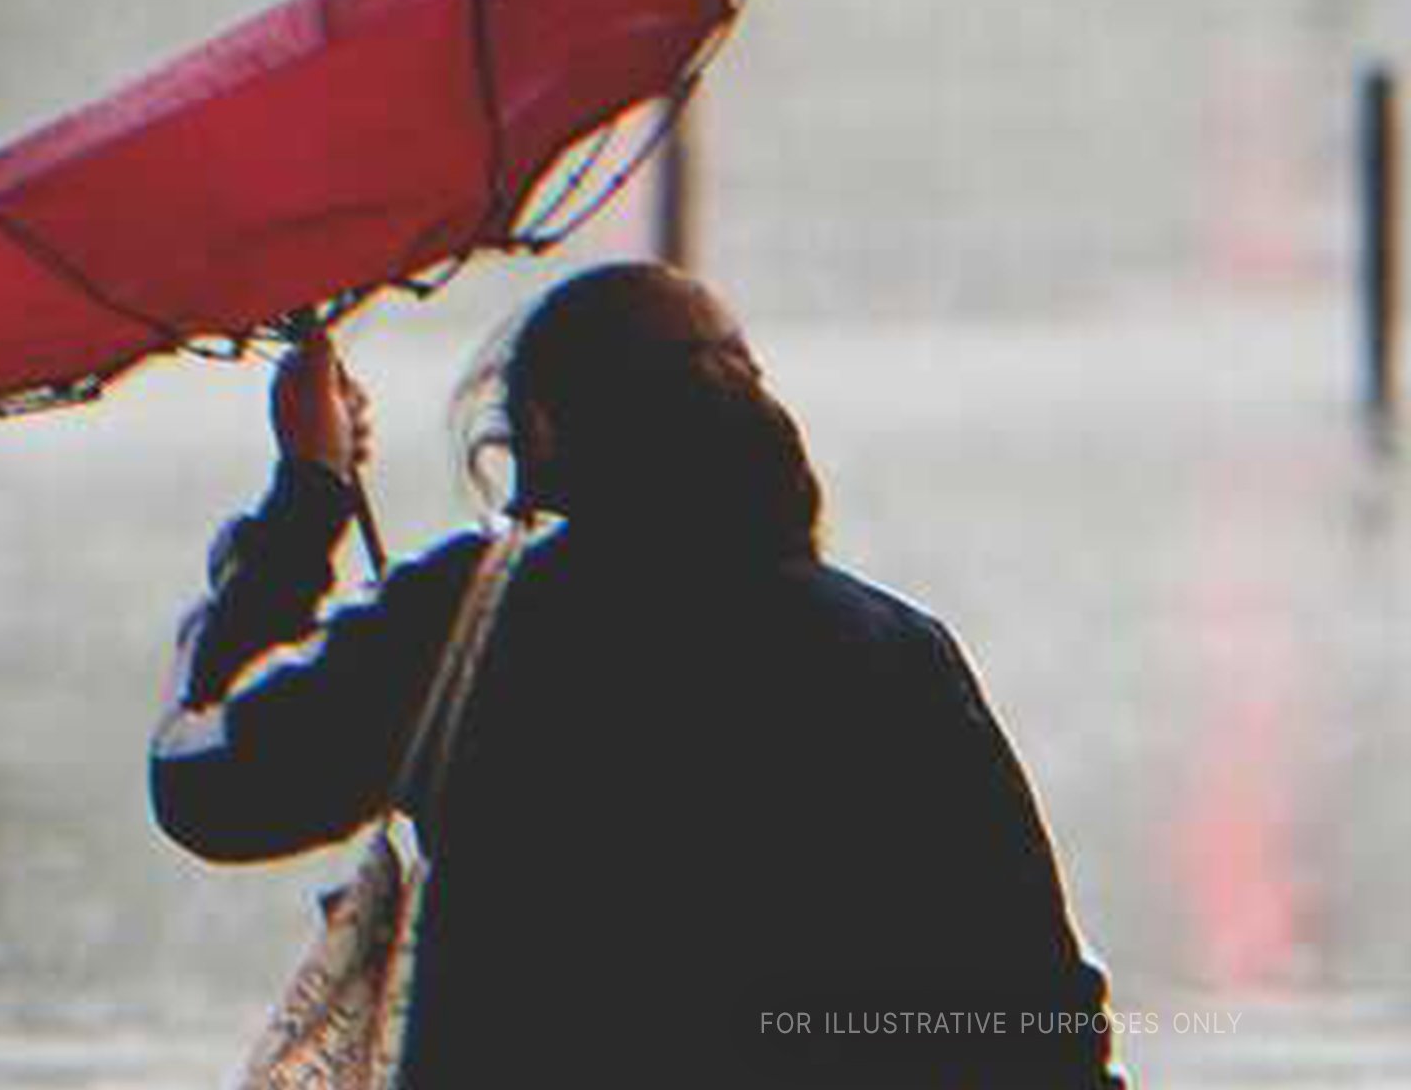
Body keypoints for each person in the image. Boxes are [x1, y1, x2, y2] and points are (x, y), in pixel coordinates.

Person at [151, 264, 1126, 1087]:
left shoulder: (469, 624)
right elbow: (1036, 1015)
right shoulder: (890, 652)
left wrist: (305, 499)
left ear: (540, 430)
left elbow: (206, 779)